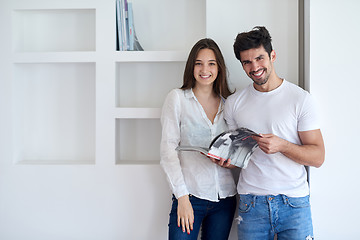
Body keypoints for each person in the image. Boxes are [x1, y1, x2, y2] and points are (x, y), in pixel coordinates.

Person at [221, 26, 325, 240]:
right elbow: (236, 157)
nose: (255, 67)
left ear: (273, 55)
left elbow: (318, 157)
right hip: (252, 204)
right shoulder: (233, 104)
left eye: (260, 58)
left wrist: (283, 146)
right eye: (247, 62)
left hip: (294, 203)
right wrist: (225, 160)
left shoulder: (301, 99)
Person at [160, 38, 237, 240]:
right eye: (199, 63)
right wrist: (182, 199)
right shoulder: (177, 98)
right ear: (191, 67)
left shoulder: (229, 104)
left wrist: (230, 163)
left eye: (211, 63)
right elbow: (168, 151)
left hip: (225, 199)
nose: (205, 69)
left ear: (219, 67)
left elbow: (235, 151)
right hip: (190, 195)